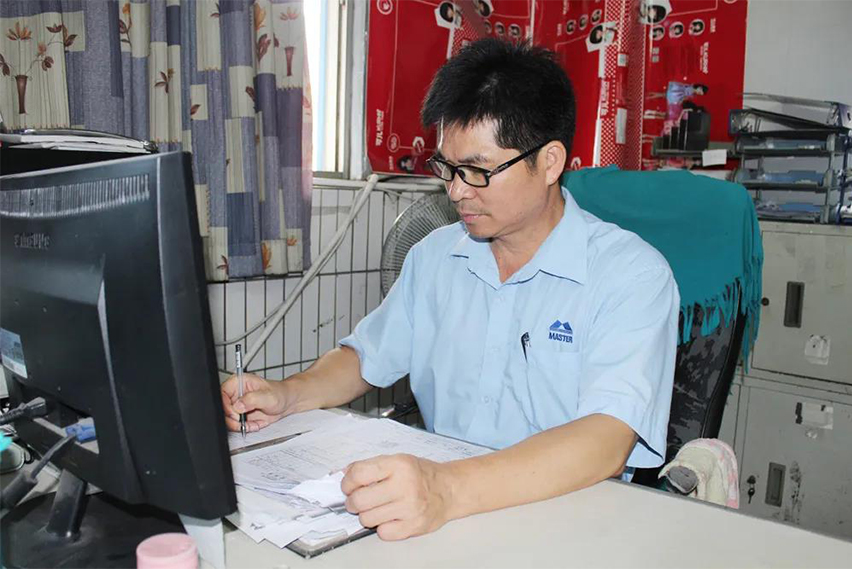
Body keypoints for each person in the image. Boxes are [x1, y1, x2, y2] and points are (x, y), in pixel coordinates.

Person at [222, 38, 679, 542]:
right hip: (445, 515)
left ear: (550, 162)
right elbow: (365, 357)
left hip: (567, 520)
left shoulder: (630, 275)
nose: (457, 190)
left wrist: (446, 489)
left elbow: (606, 440)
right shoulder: (435, 257)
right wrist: (287, 395)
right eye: (447, 168)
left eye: (478, 171)